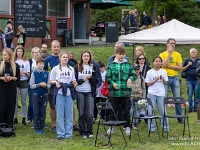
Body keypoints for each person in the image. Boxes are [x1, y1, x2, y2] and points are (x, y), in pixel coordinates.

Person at [44, 40, 74, 133]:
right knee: (53, 107)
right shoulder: (48, 59)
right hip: (53, 87)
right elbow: (45, 72)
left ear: (59, 47)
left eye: (57, 46)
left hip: (66, 89)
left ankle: (71, 124)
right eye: (54, 46)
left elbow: (73, 72)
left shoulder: (68, 62)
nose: (56, 48)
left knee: (69, 106)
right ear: (51, 47)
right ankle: (54, 125)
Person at [106, 47, 136, 135]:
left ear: (125, 55)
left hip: (125, 92)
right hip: (114, 93)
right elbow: (107, 77)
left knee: (126, 110)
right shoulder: (111, 65)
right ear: (116, 54)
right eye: (119, 54)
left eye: (123, 54)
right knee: (112, 110)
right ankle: (111, 127)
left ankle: (127, 126)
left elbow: (134, 75)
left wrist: (131, 79)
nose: (121, 56)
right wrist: (112, 83)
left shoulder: (129, 65)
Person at [50, 50, 77, 139]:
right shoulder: (55, 68)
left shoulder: (71, 69)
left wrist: (74, 83)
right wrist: (56, 82)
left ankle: (68, 134)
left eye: (66, 57)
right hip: (60, 92)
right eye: (64, 57)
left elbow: (73, 80)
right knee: (60, 114)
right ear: (60, 58)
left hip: (69, 93)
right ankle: (61, 133)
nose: (65, 59)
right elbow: (51, 80)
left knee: (69, 114)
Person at [74, 50, 98, 139]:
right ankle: (82, 131)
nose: (86, 57)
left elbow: (96, 80)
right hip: (80, 91)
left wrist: (90, 78)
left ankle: (89, 131)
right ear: (81, 57)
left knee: (90, 114)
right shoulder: (77, 67)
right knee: (81, 113)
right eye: (84, 56)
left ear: (90, 57)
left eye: (88, 56)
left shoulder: (93, 67)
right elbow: (75, 81)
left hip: (89, 92)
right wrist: (83, 79)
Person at [159, 38, 183, 124]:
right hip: (165, 78)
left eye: (174, 44)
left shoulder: (178, 54)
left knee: (177, 99)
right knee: (164, 98)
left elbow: (180, 67)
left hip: (175, 77)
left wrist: (169, 66)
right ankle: (164, 117)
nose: (172, 45)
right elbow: (163, 64)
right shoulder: (162, 54)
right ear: (167, 44)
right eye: (171, 43)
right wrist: (169, 54)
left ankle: (180, 118)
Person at [145, 56, 169, 132]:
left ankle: (165, 127)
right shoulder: (149, 72)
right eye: (156, 61)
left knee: (163, 111)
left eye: (159, 61)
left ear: (161, 63)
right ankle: (152, 127)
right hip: (152, 93)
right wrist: (155, 80)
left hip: (161, 94)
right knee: (151, 110)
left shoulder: (164, 71)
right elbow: (148, 84)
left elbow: (165, 83)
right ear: (153, 62)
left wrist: (163, 79)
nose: (158, 62)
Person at [30, 58, 51, 135]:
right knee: (36, 111)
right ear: (37, 64)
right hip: (36, 95)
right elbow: (31, 85)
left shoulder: (47, 73)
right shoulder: (34, 73)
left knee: (43, 111)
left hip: (44, 95)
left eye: (42, 64)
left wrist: (46, 86)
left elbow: (49, 85)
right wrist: (39, 84)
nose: (41, 65)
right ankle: (36, 127)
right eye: (40, 64)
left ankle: (42, 127)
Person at [0, 48, 20, 128]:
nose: (3, 56)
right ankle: (1, 123)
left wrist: (11, 78)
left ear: (9, 55)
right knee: (2, 104)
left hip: (11, 87)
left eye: (5, 55)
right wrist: (2, 78)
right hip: (2, 87)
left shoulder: (15, 65)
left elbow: (18, 78)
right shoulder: (0, 64)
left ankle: (9, 123)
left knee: (10, 104)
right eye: (3, 54)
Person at [13, 45, 30, 125]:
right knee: (15, 101)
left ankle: (24, 118)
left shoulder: (26, 62)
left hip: (23, 82)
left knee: (23, 101)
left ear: (23, 52)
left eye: (21, 51)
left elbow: (29, 75)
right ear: (16, 52)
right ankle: (15, 117)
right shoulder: (13, 61)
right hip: (15, 82)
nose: (19, 53)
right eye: (18, 51)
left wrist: (24, 72)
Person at [182, 48, 200, 113]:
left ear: (196, 53)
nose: (194, 53)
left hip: (197, 80)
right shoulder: (187, 60)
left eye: (195, 52)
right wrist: (188, 65)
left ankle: (195, 107)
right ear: (190, 53)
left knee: (196, 94)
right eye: (192, 52)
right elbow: (183, 69)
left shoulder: (199, 60)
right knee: (189, 94)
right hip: (189, 80)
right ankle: (190, 108)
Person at [27, 47, 41, 124]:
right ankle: (30, 117)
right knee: (31, 102)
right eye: (35, 52)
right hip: (31, 85)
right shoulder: (30, 62)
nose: (37, 54)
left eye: (38, 52)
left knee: (40, 101)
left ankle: (39, 117)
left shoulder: (42, 62)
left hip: (40, 85)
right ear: (32, 54)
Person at [130, 64, 146, 129]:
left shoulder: (142, 78)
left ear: (139, 70)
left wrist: (143, 98)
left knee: (138, 112)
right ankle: (128, 123)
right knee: (130, 111)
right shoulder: (129, 78)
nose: (136, 71)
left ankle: (135, 123)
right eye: (135, 69)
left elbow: (144, 89)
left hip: (139, 97)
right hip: (131, 97)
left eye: (137, 69)